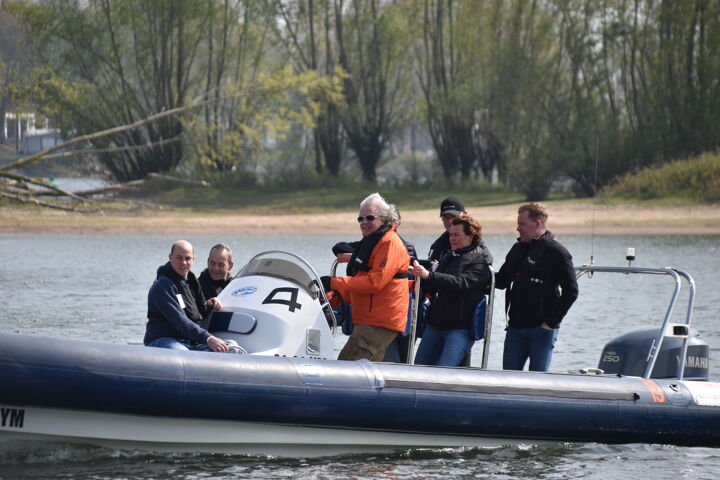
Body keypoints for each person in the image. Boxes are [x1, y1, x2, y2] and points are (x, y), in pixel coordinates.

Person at [322, 193, 411, 362]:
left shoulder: (390, 242)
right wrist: (330, 295)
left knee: (346, 367)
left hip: (378, 322)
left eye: (369, 218)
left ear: (384, 219)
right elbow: (361, 279)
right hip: (367, 320)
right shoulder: (372, 241)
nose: (364, 222)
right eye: (360, 219)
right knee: (360, 370)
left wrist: (334, 282)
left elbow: (375, 282)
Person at [495, 203, 578, 372]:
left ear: (537, 224)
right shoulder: (517, 248)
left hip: (541, 331)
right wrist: (476, 275)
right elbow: (502, 281)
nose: (518, 228)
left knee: (537, 382)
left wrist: (550, 323)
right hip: (515, 330)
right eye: (518, 224)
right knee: (508, 381)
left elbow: (571, 291)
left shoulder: (557, 252)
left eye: (522, 224)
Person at [412, 215, 491, 366]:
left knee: (444, 369)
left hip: (460, 328)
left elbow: (461, 282)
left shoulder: (480, 262)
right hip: (435, 324)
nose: (451, 238)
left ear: (471, 236)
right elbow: (433, 284)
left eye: (456, 235)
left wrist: (429, 275)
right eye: (450, 234)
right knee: (419, 367)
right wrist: (415, 274)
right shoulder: (448, 257)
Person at [144, 240, 229, 352]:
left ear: (193, 260)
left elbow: (195, 312)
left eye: (187, 258)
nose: (183, 262)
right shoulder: (163, 286)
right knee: (183, 353)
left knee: (232, 346)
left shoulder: (190, 283)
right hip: (164, 339)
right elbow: (181, 321)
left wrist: (209, 304)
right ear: (170, 257)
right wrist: (209, 338)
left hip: (190, 341)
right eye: (179, 257)